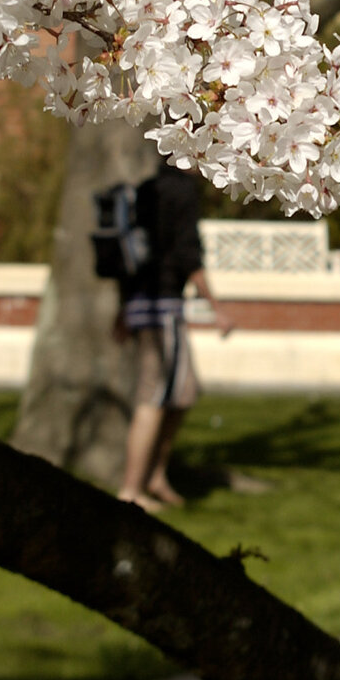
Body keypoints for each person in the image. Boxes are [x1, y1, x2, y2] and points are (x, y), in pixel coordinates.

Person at [115, 163, 228, 512]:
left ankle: (155, 476)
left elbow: (132, 252)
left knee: (185, 391)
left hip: (143, 303)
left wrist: (122, 309)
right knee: (154, 396)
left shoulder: (146, 187)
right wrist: (216, 307)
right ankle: (130, 490)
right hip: (161, 308)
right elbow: (186, 250)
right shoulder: (181, 191)